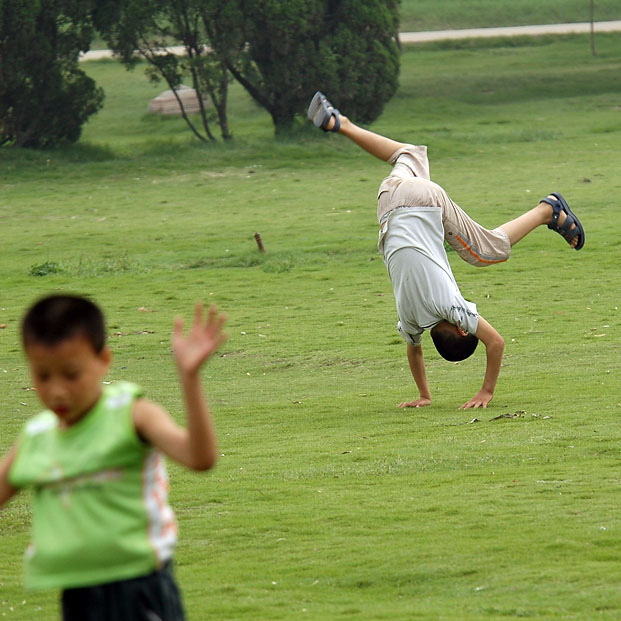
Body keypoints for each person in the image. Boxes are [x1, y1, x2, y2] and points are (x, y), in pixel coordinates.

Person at [307, 91, 585, 410]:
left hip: (419, 202)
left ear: (461, 331)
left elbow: (495, 343)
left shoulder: (451, 309)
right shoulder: (410, 320)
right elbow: (414, 350)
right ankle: (341, 124)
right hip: (386, 203)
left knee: (487, 251)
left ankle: (547, 210)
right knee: (407, 156)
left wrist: (486, 391)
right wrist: (424, 394)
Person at [0, 294, 228, 621]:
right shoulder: (36, 438)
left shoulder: (133, 415)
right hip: (78, 594)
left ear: (103, 360)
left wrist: (190, 379)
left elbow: (200, 457)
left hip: (139, 589)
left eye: (71, 374)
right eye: (42, 376)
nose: (57, 391)